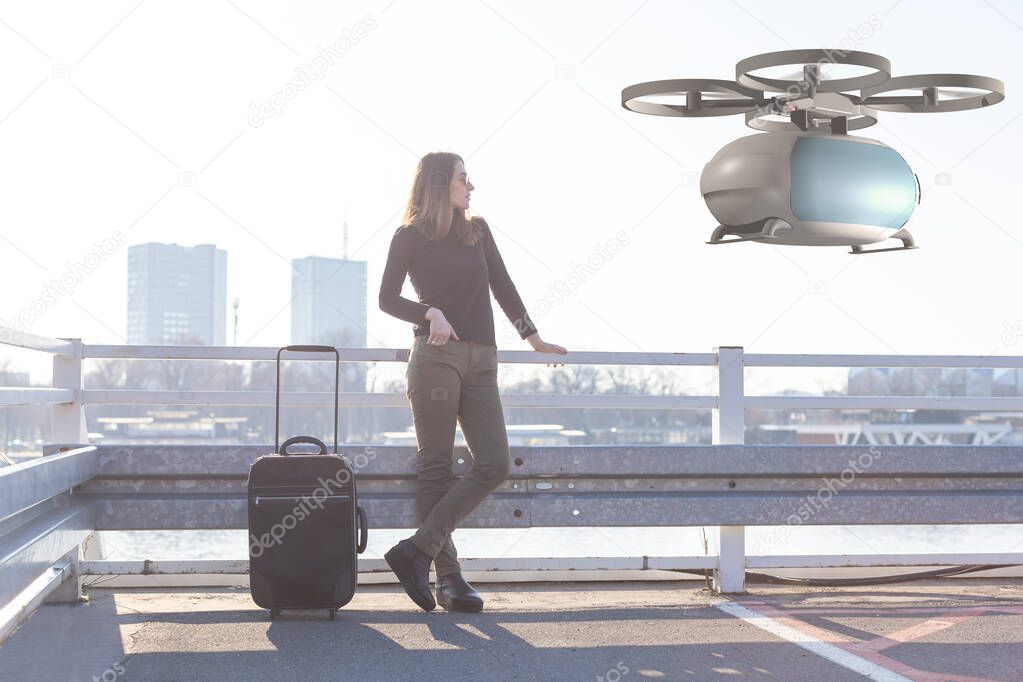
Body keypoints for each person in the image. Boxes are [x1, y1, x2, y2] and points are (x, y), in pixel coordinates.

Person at [378, 151, 567, 612]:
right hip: (436, 359)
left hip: (484, 360)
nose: (472, 185)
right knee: (437, 468)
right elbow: (386, 298)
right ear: (442, 183)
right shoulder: (409, 236)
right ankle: (450, 579)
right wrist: (429, 311)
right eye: (465, 177)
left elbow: (502, 285)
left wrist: (533, 336)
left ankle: (415, 551)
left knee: (495, 463)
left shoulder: (476, 230)